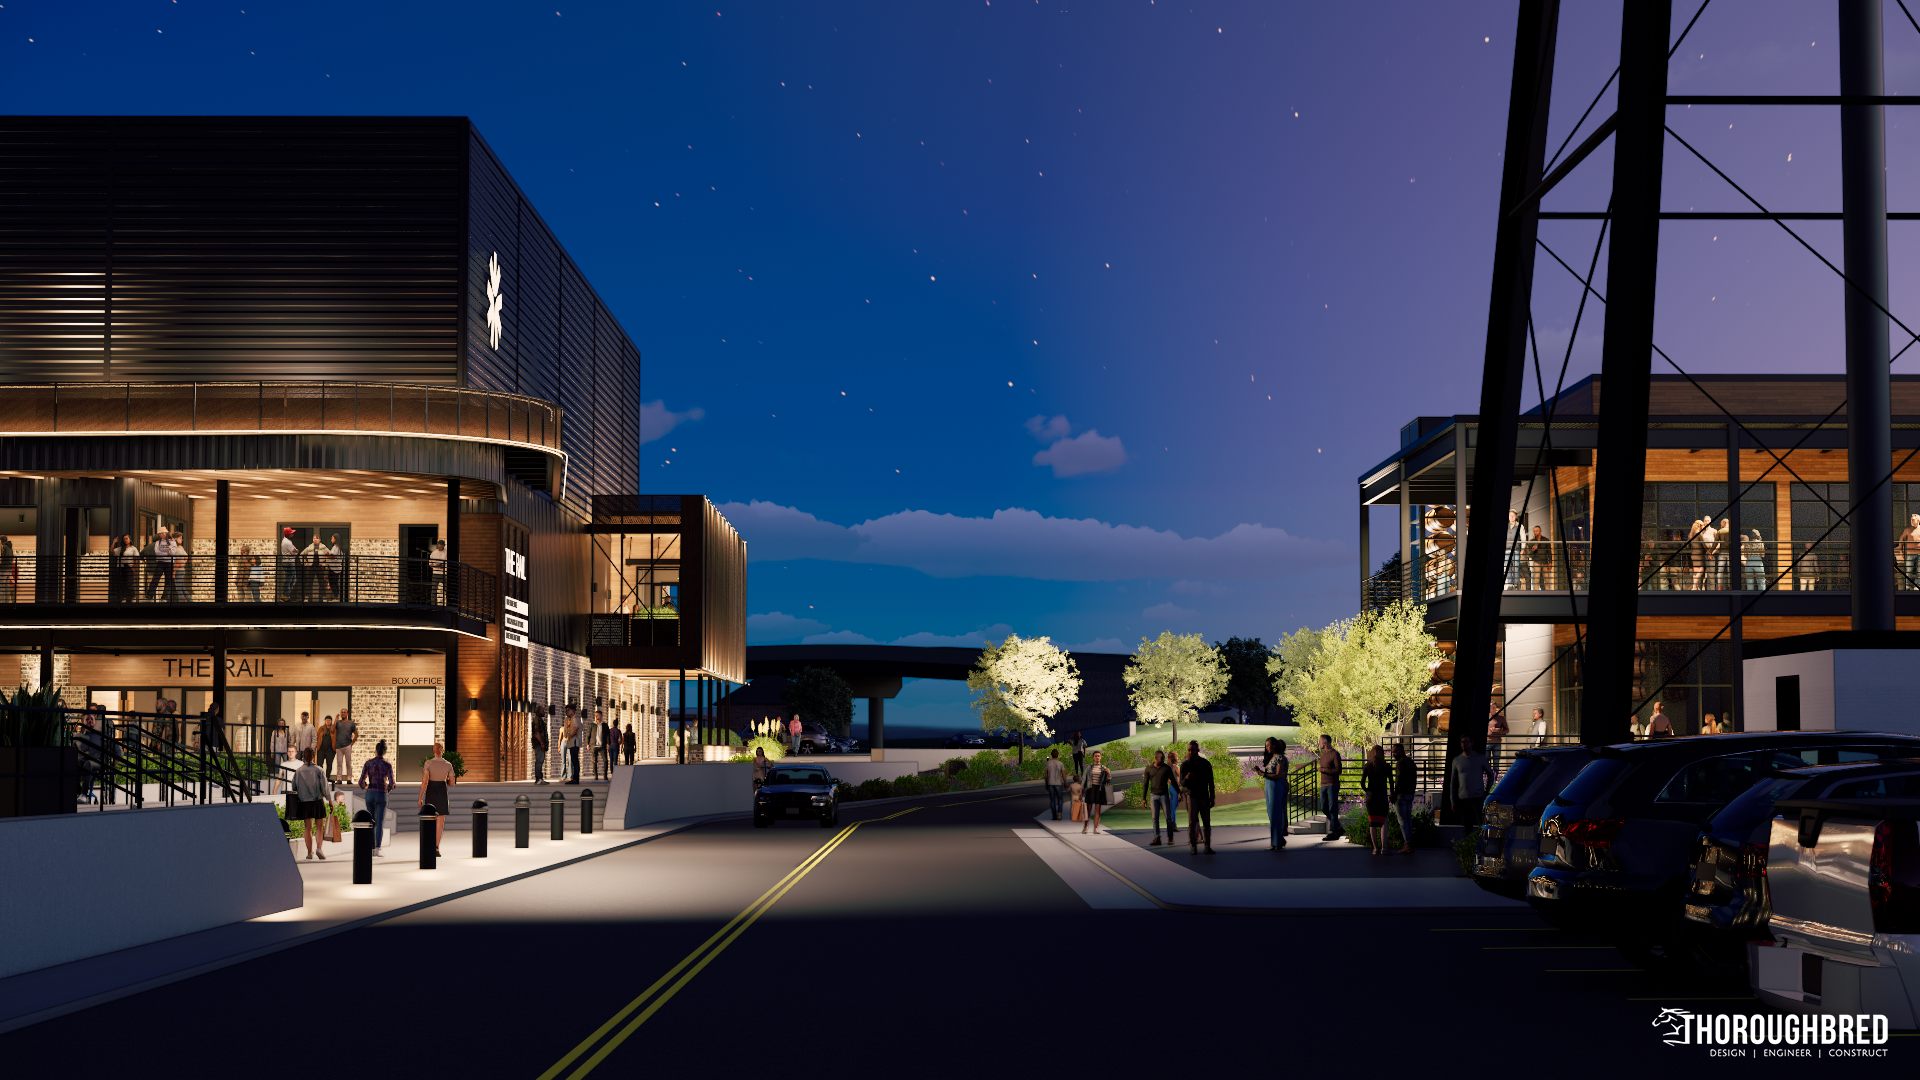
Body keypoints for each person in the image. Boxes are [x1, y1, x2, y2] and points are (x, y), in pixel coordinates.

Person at [358, 739, 395, 857]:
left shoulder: (368, 763)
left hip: (370, 793)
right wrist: (387, 789)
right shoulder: (387, 765)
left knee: (370, 821)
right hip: (381, 793)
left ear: (375, 751)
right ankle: (378, 848)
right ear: (384, 752)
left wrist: (366, 786)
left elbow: (361, 782)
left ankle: (371, 847)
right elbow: (392, 783)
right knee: (379, 822)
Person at [1178, 741, 1216, 854]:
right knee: (1192, 823)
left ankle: (1207, 847)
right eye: (1189, 750)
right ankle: (1193, 848)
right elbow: (1182, 783)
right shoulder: (1184, 765)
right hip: (1192, 796)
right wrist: (1187, 778)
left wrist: (1212, 797)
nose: (1190, 752)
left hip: (1204, 796)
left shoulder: (1205, 764)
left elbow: (1211, 782)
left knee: (1206, 823)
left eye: (1193, 750)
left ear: (1198, 750)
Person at [292, 748, 330, 860]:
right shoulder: (319, 770)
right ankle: (319, 848)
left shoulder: (298, 771)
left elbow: (294, 787)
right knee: (319, 827)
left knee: (307, 827)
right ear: (314, 756)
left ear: (303, 757)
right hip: (317, 801)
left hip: (304, 802)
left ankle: (309, 852)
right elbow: (324, 788)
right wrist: (330, 800)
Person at [420, 740, 456, 855]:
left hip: (431, 790)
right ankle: (436, 848)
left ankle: (429, 845)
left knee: (430, 819)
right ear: (442, 751)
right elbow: (452, 783)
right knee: (440, 821)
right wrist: (446, 779)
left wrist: (420, 797)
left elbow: (425, 782)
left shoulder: (428, 763)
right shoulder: (448, 765)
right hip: (441, 791)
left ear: (433, 751)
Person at [1449, 738, 1488, 830]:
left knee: (1480, 823)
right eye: (1462, 742)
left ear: (1472, 743)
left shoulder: (1480, 758)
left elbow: (1490, 773)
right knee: (1466, 825)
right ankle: (1468, 843)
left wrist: (1487, 790)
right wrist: (1453, 800)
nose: (1464, 744)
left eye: (1467, 742)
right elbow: (1453, 781)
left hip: (1477, 796)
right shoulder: (1457, 760)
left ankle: (1481, 843)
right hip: (1463, 798)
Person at [1256, 738, 1287, 850]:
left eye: (1268, 745)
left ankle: (1276, 843)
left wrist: (1262, 774)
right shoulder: (1272, 758)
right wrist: (1261, 773)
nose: (1266, 748)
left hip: (1276, 785)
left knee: (1275, 814)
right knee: (1271, 813)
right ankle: (1279, 840)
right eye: (1266, 746)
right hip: (1269, 785)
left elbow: (1278, 775)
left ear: (1274, 745)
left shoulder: (1280, 758)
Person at [1361, 745, 1391, 855]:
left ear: (1372, 753)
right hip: (1382, 796)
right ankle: (1384, 848)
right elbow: (1391, 783)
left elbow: (1362, 783)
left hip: (1371, 797)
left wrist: (1368, 791)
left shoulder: (1367, 765)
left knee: (1372, 823)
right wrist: (1392, 794)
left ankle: (1375, 849)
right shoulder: (1387, 766)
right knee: (1384, 822)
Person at [1145, 749, 1179, 845]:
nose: (1163, 760)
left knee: (1168, 817)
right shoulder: (1149, 769)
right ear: (1156, 758)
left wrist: (1179, 792)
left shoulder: (1167, 768)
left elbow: (1173, 781)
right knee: (1155, 818)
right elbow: (1145, 784)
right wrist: (1144, 798)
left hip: (1164, 795)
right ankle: (1157, 838)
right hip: (1153, 796)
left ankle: (1170, 838)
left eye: (1164, 758)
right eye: (1161, 758)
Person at [1391, 741, 1418, 855]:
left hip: (1401, 794)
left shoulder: (1400, 763)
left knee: (1402, 820)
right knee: (1408, 819)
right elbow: (1414, 778)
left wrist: (1395, 794)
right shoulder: (1411, 762)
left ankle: (1407, 844)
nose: (1393, 754)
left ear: (1401, 751)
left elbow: (1399, 779)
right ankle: (1409, 843)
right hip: (1410, 794)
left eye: (1395, 752)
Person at [1315, 733, 1342, 842]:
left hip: (1332, 785)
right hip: (1323, 785)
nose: (1319, 743)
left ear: (1324, 743)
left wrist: (1323, 770)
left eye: (1320, 741)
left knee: (1332, 808)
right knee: (1324, 808)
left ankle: (1332, 832)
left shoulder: (1334, 754)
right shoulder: (1323, 754)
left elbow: (1338, 770)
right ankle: (1338, 827)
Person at [1080, 749, 1112, 834]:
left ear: (1100, 757)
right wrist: (1081, 790)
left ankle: (1095, 828)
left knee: (1097, 810)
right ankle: (1086, 827)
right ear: (1093, 758)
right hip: (1090, 789)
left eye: (1098, 756)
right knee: (1088, 809)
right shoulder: (1089, 767)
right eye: (1095, 756)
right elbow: (1084, 779)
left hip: (1099, 790)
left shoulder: (1104, 768)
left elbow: (1107, 782)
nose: (1097, 757)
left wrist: (1109, 774)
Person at [1043, 747, 1068, 821]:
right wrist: (1065, 782)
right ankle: (1059, 812)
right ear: (1057, 755)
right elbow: (1063, 774)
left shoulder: (1048, 763)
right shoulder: (1060, 763)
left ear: (1051, 755)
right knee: (1060, 799)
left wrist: (1046, 783)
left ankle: (1054, 815)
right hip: (1058, 783)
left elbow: (1045, 774)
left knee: (1052, 800)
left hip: (1050, 783)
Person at [267, 719, 289, 795]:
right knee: (277, 764)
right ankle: (277, 776)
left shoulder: (287, 731)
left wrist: (289, 751)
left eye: (282, 723)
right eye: (280, 723)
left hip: (285, 750)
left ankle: (286, 775)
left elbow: (289, 742)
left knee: (286, 763)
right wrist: (272, 752)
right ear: (278, 724)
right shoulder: (274, 732)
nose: (281, 724)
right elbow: (272, 742)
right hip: (277, 750)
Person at [335, 709, 356, 782]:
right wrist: (335, 720)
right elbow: (332, 730)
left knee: (348, 763)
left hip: (347, 745)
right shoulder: (338, 723)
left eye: (344, 712)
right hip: (339, 746)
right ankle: (339, 779)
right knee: (339, 763)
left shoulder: (351, 723)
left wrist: (352, 743)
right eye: (342, 712)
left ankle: (349, 778)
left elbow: (356, 734)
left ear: (347, 714)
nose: (343, 713)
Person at [1902, 514, 1920, 590]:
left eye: (1913, 519)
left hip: (1919, 553)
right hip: (1910, 553)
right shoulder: (1908, 530)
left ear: (1918, 520)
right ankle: (1907, 586)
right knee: (1909, 570)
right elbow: (1901, 540)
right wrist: (1900, 552)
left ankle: (1917, 586)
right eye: (1911, 519)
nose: (1911, 521)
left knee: (1919, 571)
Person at [316, 715, 336, 781]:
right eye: (327, 720)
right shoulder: (321, 728)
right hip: (321, 749)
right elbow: (317, 737)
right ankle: (320, 777)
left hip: (330, 750)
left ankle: (327, 777)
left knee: (329, 764)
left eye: (329, 720)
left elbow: (336, 738)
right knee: (319, 764)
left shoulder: (334, 730)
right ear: (325, 721)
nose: (328, 721)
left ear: (331, 721)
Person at [531, 713, 549, 784]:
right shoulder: (537, 720)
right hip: (538, 744)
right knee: (539, 761)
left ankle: (540, 778)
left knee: (540, 761)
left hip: (540, 744)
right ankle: (538, 778)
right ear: (538, 711)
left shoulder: (539, 720)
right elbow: (537, 732)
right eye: (542, 710)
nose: (544, 712)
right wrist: (541, 743)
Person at [428, 539, 448, 604]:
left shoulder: (447, 552)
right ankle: (433, 605)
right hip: (435, 574)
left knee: (447, 590)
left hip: (444, 574)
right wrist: (435, 566)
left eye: (441, 547)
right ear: (437, 545)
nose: (440, 548)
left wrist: (443, 565)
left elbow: (449, 563)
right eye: (439, 547)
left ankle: (449, 604)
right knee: (433, 590)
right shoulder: (434, 553)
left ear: (444, 546)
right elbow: (430, 564)